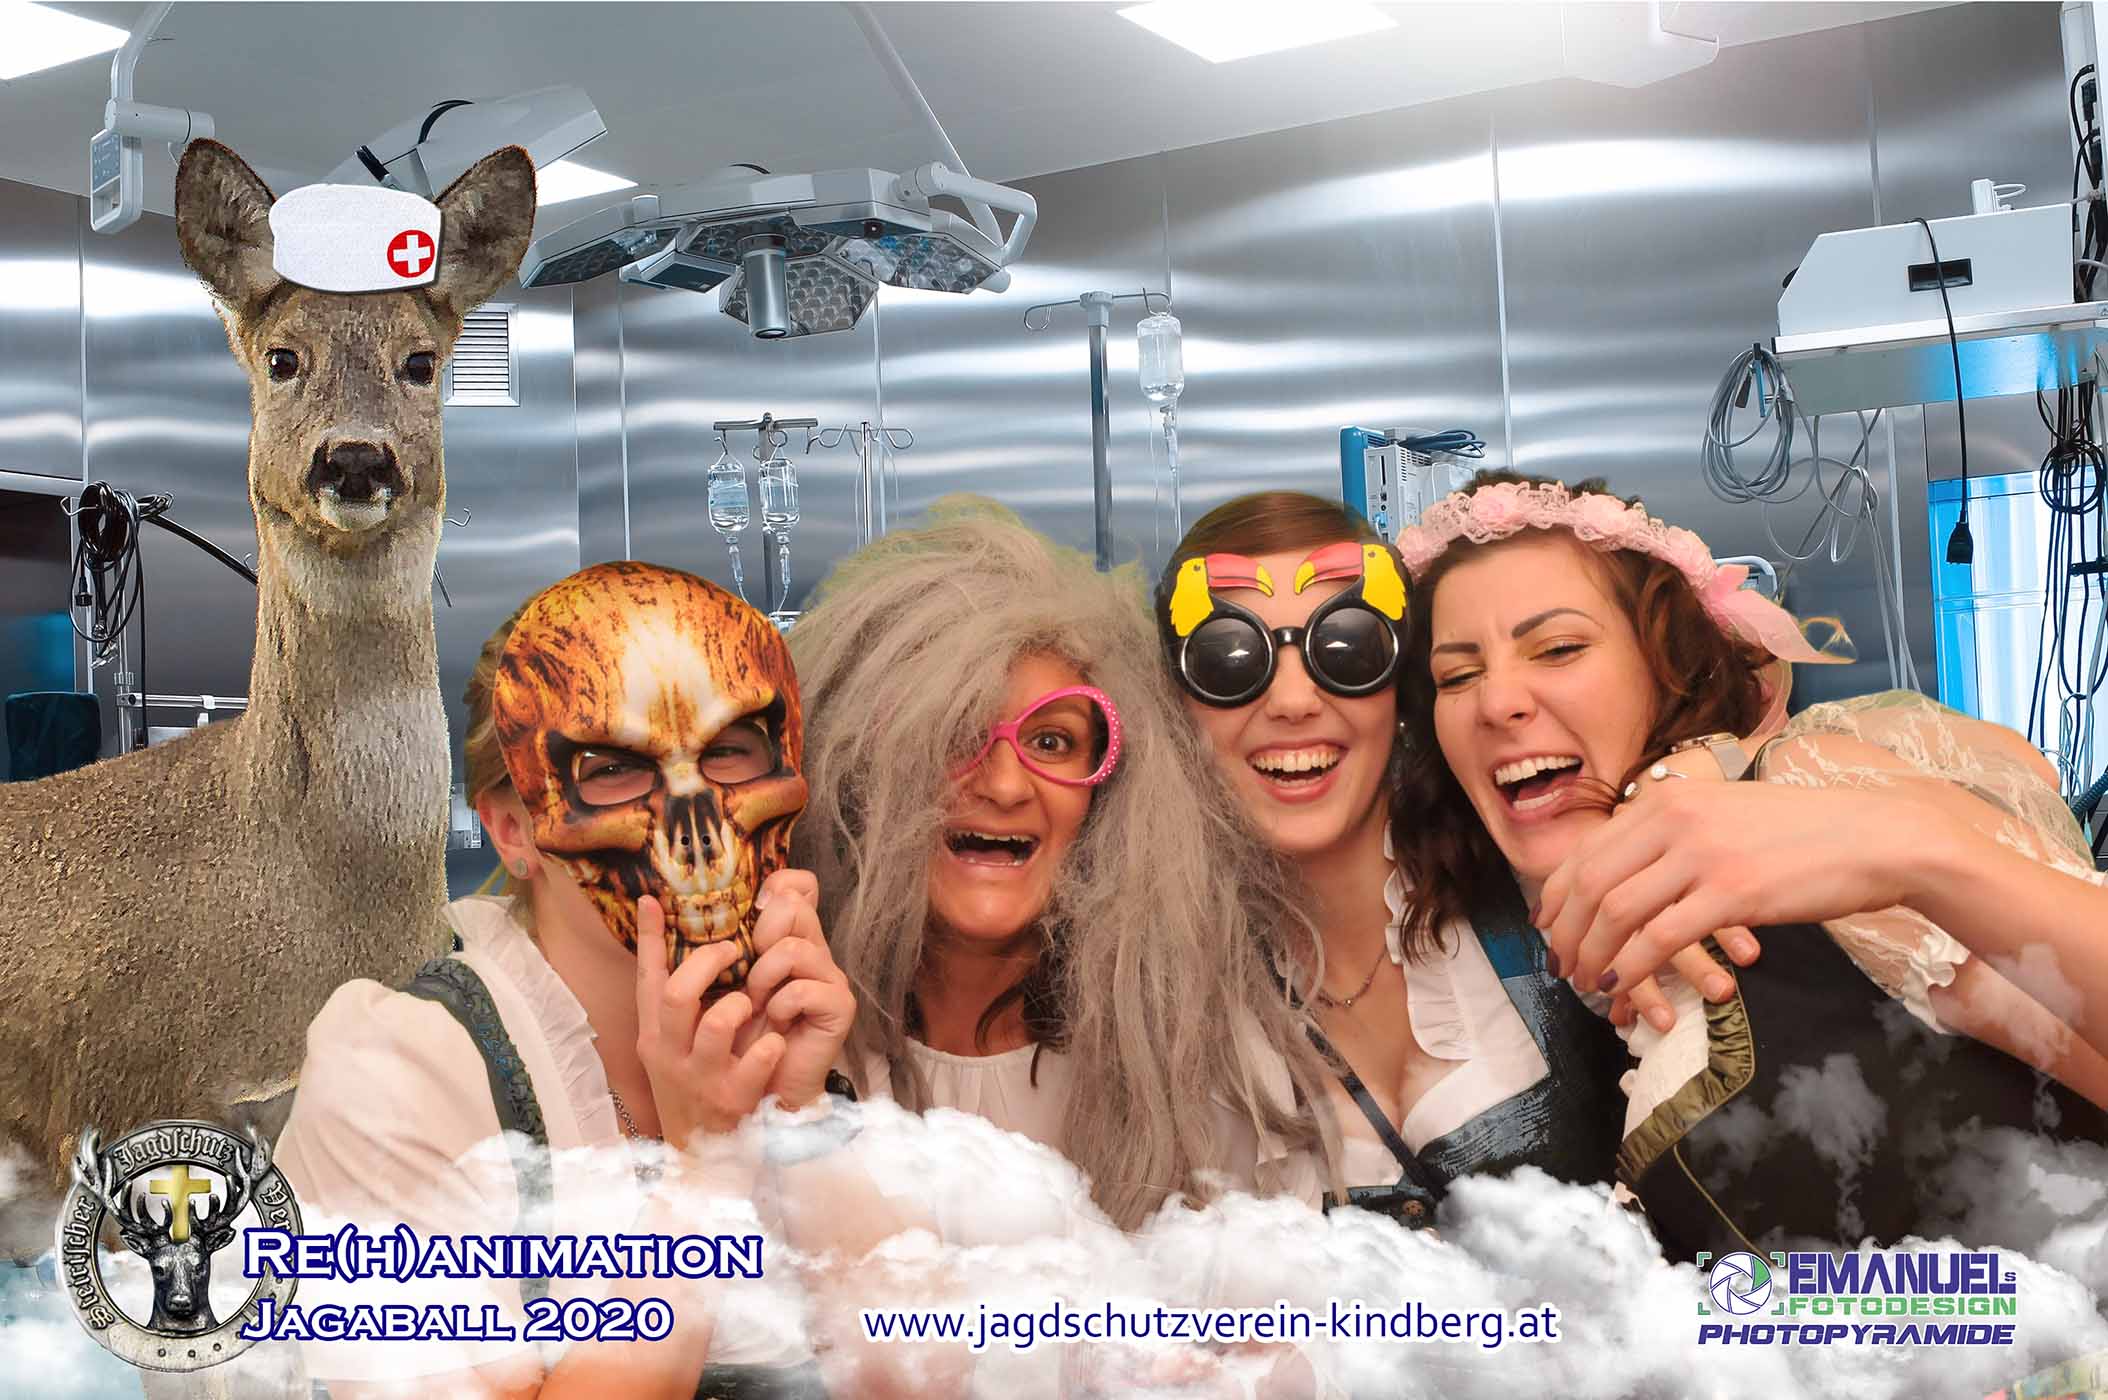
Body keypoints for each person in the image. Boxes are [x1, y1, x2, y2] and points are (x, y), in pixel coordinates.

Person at [1392, 470, 2108, 1255]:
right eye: (1457, 676)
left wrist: (1910, 847)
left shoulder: (1807, 797)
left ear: (1667, 666)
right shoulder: (1542, 955)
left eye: (1559, 649)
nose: (1497, 702)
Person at [275, 560, 901, 1399]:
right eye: (615, 770)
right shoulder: (398, 1076)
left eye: (729, 752)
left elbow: (922, 1378)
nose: (701, 828)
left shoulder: (817, 1032)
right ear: (513, 831)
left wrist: (805, 1117)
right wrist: (704, 1174)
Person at [786, 499, 1338, 1233]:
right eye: (956, 735)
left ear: (1109, 791)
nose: (1005, 785)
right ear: (864, 769)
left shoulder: (1203, 1066)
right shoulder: (795, 1049)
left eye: (1052, 742)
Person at [1154, 492, 1642, 1229]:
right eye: (1229, 660)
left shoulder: (1540, 866)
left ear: (1401, 685)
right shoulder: (1152, 993)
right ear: (1175, 706)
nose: (1293, 700)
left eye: (1346, 648)